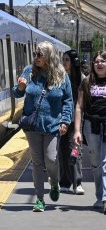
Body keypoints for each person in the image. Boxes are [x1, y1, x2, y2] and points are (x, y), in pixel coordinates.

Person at [13, 41, 73, 212]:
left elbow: (68, 100)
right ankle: (39, 199)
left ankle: (54, 182)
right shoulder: (29, 71)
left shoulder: (61, 75)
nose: (36, 57)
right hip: (32, 125)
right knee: (38, 163)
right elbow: (17, 92)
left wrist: (65, 121)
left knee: (52, 159)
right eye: (35, 54)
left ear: (49, 56)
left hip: (53, 125)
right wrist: (20, 87)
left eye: (40, 54)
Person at [73, 50, 106, 214]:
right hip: (91, 126)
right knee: (95, 163)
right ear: (93, 65)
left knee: (105, 163)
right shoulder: (87, 82)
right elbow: (79, 107)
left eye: (103, 61)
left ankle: (105, 199)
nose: (100, 64)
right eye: (97, 61)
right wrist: (77, 131)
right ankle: (100, 196)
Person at [58, 50, 84, 195]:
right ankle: (65, 182)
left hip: (76, 121)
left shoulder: (82, 78)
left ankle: (78, 182)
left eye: (67, 60)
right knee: (62, 151)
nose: (64, 62)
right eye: (63, 59)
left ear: (74, 62)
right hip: (62, 120)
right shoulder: (59, 78)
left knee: (75, 151)